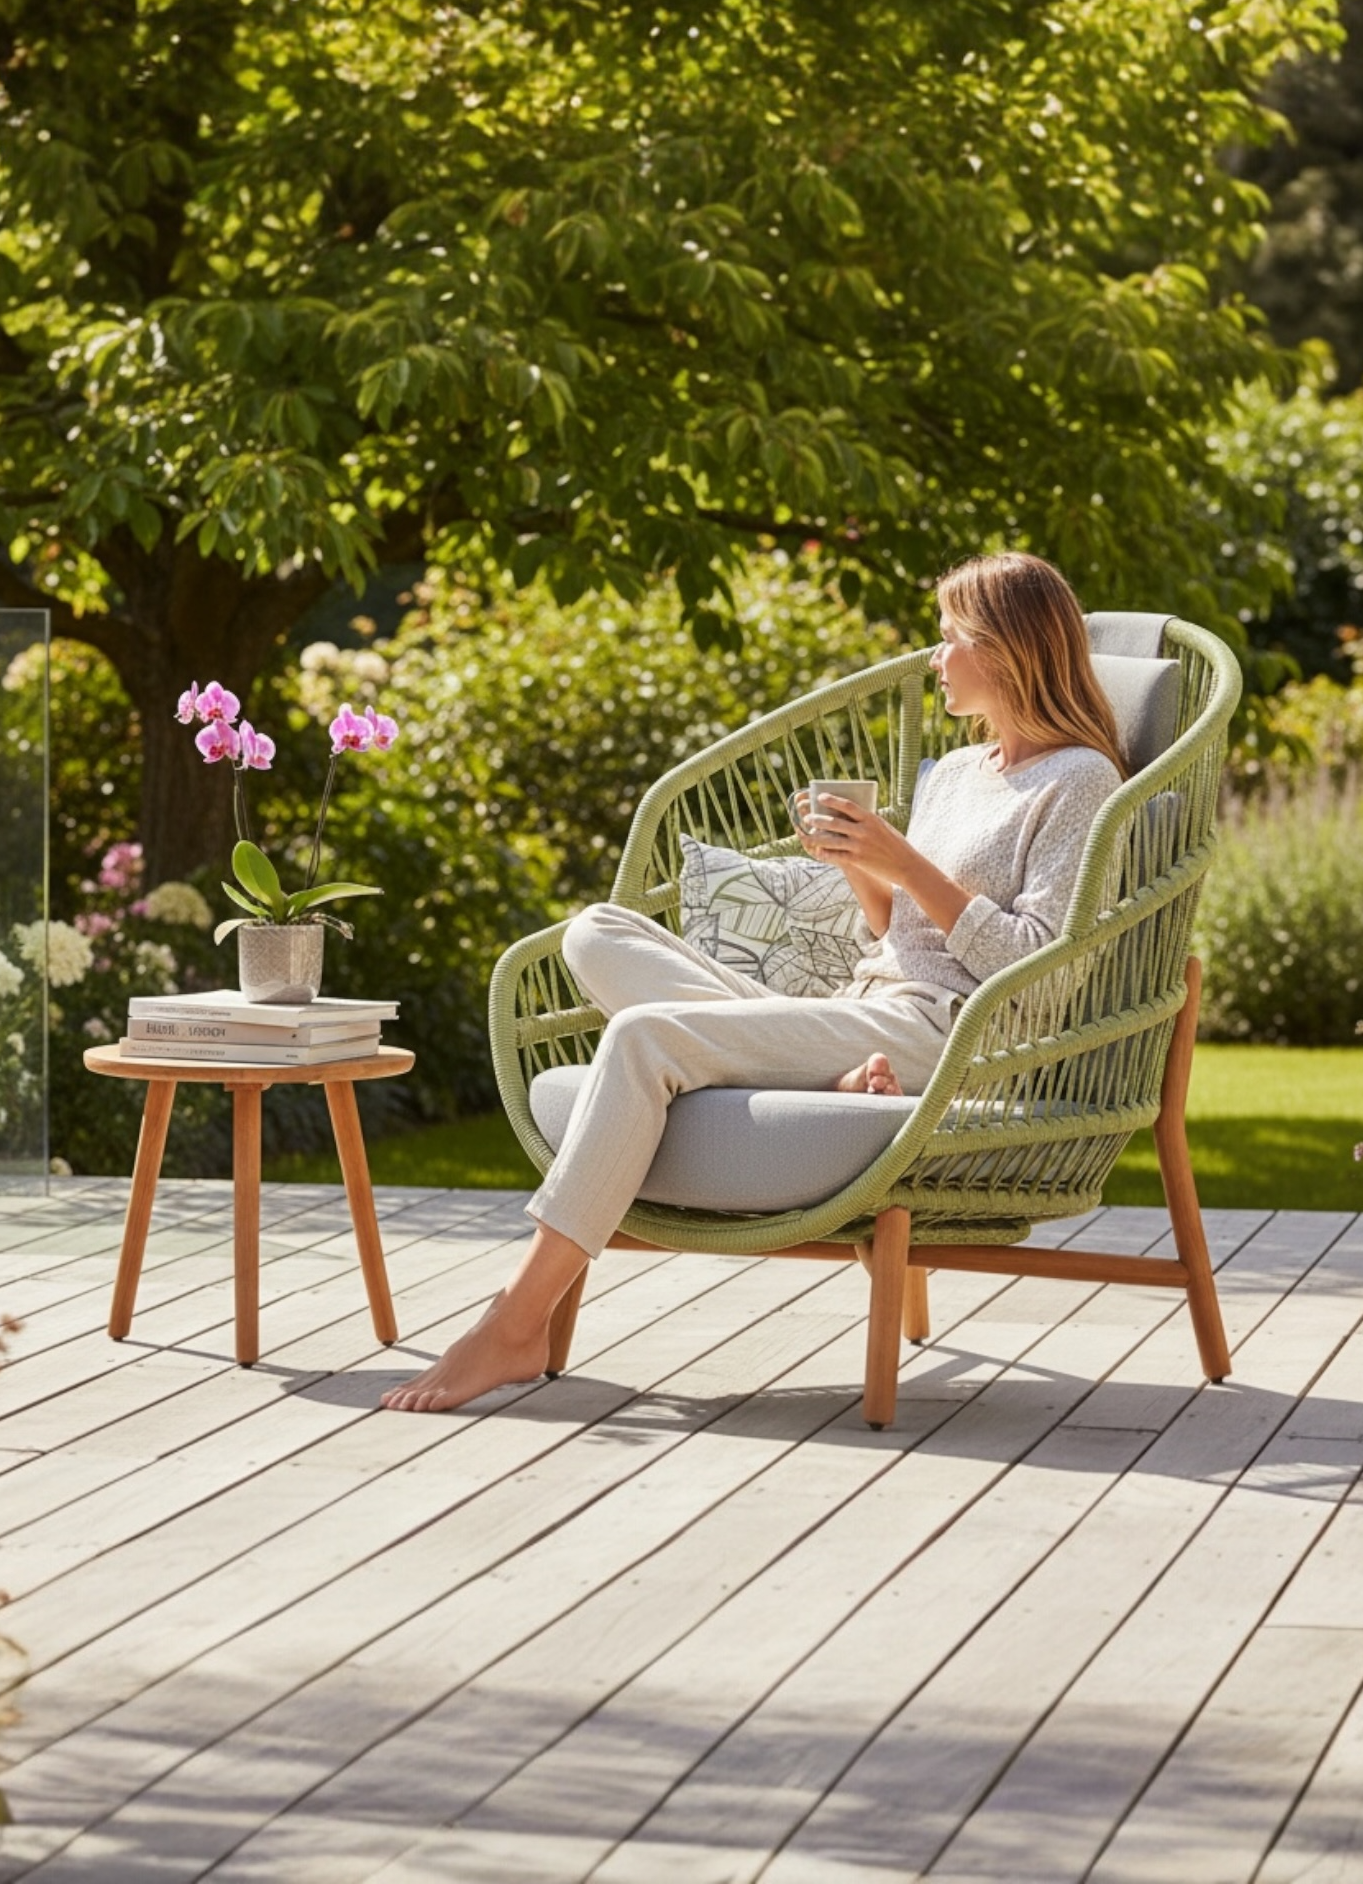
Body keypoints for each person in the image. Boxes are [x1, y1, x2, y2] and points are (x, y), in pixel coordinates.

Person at [380, 551, 1129, 1413]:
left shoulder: (1080, 781)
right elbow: (900, 934)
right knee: (596, 933)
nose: (933, 657)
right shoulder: (960, 772)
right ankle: (827, 1076)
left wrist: (901, 858)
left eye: (949, 637)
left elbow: (1038, 975)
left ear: (1005, 650)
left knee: (643, 1035)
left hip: (949, 1033)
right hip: (867, 1007)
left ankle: (515, 1321)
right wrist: (860, 868)